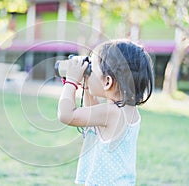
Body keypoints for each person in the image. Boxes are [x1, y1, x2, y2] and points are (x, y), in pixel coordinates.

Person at [57, 39, 153, 185]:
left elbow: (66, 115)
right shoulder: (126, 110)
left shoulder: (111, 113)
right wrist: (87, 84)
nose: (87, 72)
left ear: (107, 82)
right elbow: (92, 117)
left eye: (91, 69)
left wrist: (71, 81)